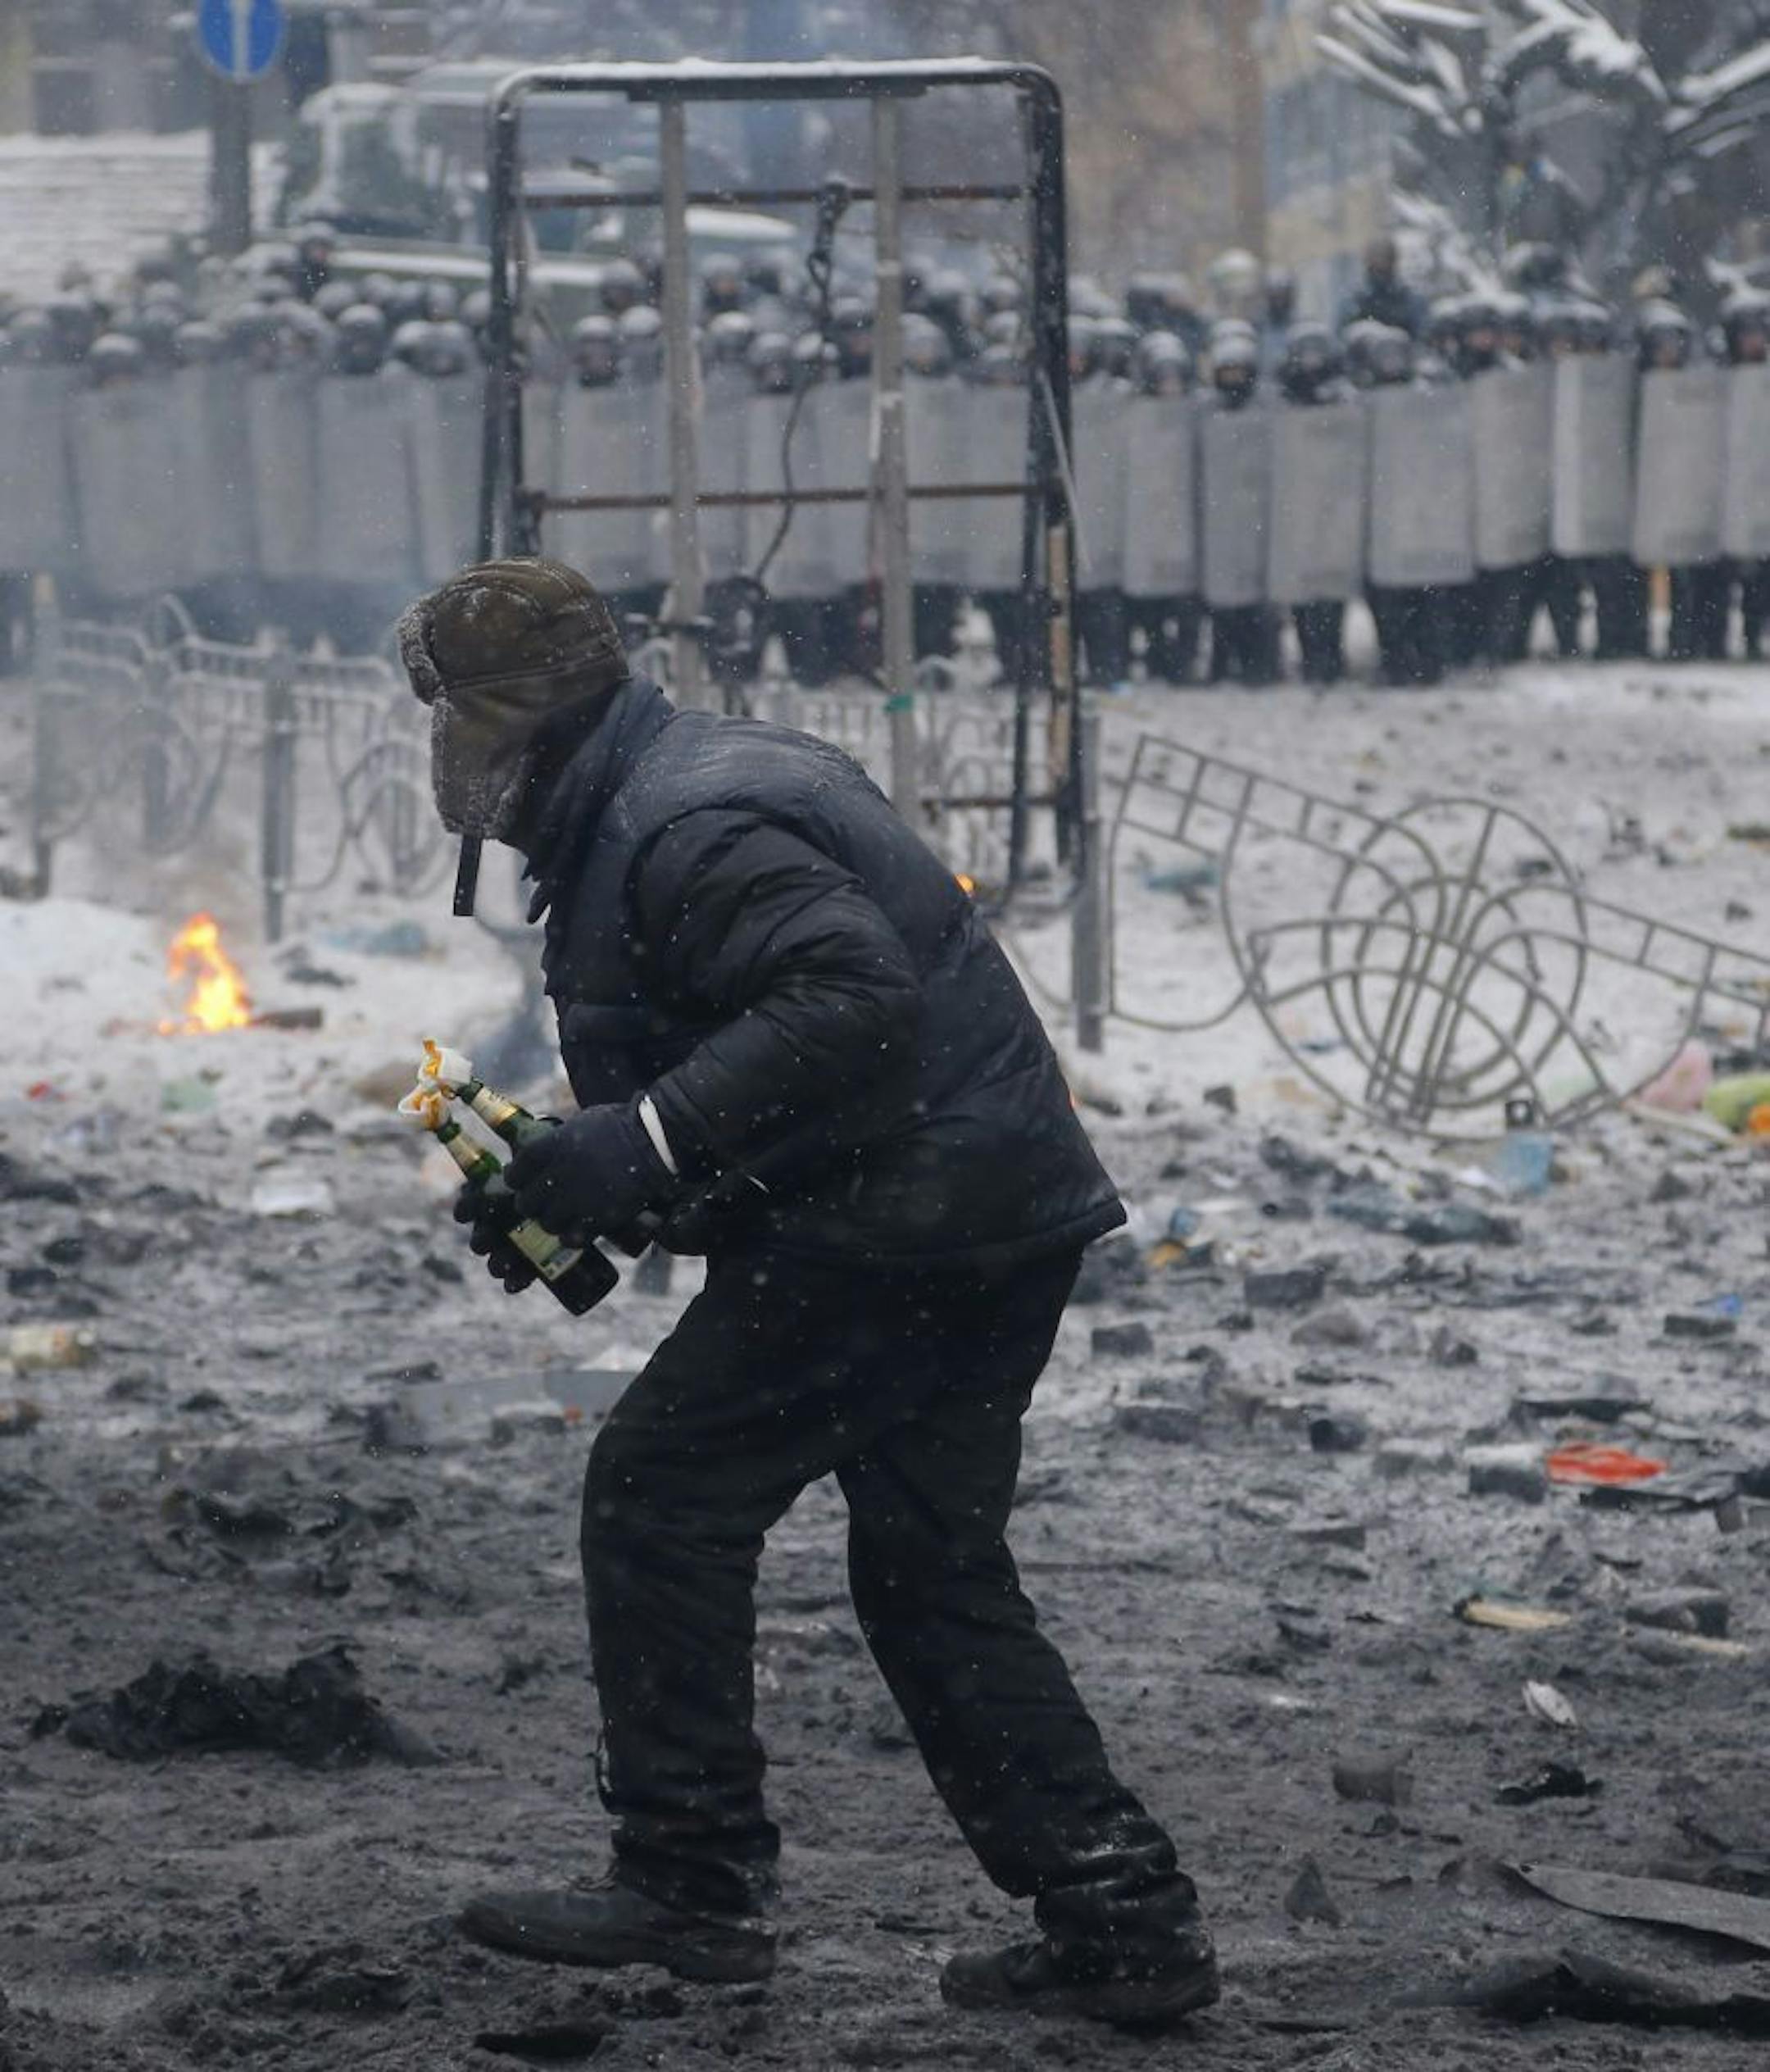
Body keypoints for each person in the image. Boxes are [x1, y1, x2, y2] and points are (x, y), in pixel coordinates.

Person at [397, 557, 1220, 2030]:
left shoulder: (686, 820)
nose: (443, 752)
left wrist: (637, 1146)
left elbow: (849, 1005)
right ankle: (1121, 1919)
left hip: (907, 1230)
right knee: (929, 1567)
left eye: (456, 718)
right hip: (974, 1207)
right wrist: (584, 1178)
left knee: (659, 1492)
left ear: (522, 721)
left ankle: (692, 1880)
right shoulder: (663, 787)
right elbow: (771, 1056)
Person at [1337, 235, 1424, 339]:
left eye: (1385, 256)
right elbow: (1340, 337)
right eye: (1375, 257)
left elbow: (1421, 337)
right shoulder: (1355, 299)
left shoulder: (1409, 299)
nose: (1380, 261)